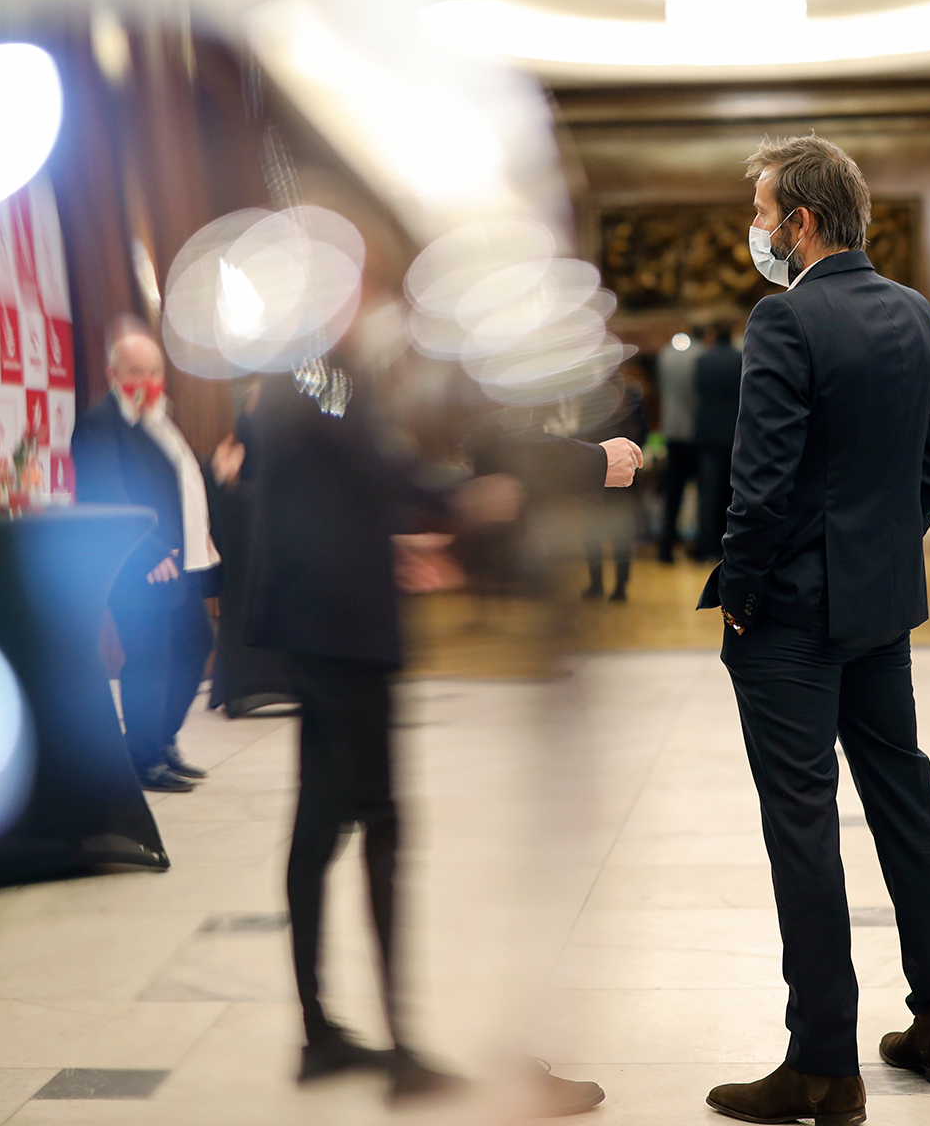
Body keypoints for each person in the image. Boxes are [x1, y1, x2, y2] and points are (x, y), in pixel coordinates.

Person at [246, 331, 635, 1111]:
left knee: (318, 824)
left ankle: (320, 1035)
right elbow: (375, 463)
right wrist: (463, 498)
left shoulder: (294, 367)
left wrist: (391, 532)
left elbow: (338, 481)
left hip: (312, 621)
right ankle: (402, 1057)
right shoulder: (323, 366)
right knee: (382, 828)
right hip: (344, 630)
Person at [699, 135, 930, 1126]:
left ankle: (822, 1068)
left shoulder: (786, 318)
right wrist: (880, 553)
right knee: (904, 798)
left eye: (763, 213)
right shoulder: (915, 310)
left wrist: (741, 590)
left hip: (793, 616)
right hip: (879, 603)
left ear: (801, 223)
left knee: (803, 824)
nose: (757, 229)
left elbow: (760, 485)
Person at [70, 331, 219, 794]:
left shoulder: (156, 419)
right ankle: (143, 759)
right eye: (137, 371)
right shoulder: (99, 424)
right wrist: (148, 552)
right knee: (149, 661)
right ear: (113, 374)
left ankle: (162, 740)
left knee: (194, 645)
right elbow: (106, 495)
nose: (148, 380)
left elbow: (175, 480)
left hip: (179, 561)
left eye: (155, 371)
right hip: (138, 566)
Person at [580, 373, 647, 601]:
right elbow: (643, 431)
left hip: (595, 473)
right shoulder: (631, 396)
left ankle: (596, 583)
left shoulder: (591, 397)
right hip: (624, 474)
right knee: (621, 532)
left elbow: (582, 434)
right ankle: (620, 587)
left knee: (592, 531)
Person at [692, 321, 742, 561]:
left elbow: (698, 391)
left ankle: (705, 546)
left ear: (712, 334)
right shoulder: (740, 359)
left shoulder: (703, 360)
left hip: (708, 433)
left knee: (708, 494)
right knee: (731, 494)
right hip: (733, 433)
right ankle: (726, 547)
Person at [654, 326, 703, 563]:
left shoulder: (666, 354)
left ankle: (666, 547)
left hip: (672, 431)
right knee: (703, 494)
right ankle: (700, 546)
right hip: (696, 433)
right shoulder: (701, 355)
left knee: (672, 493)